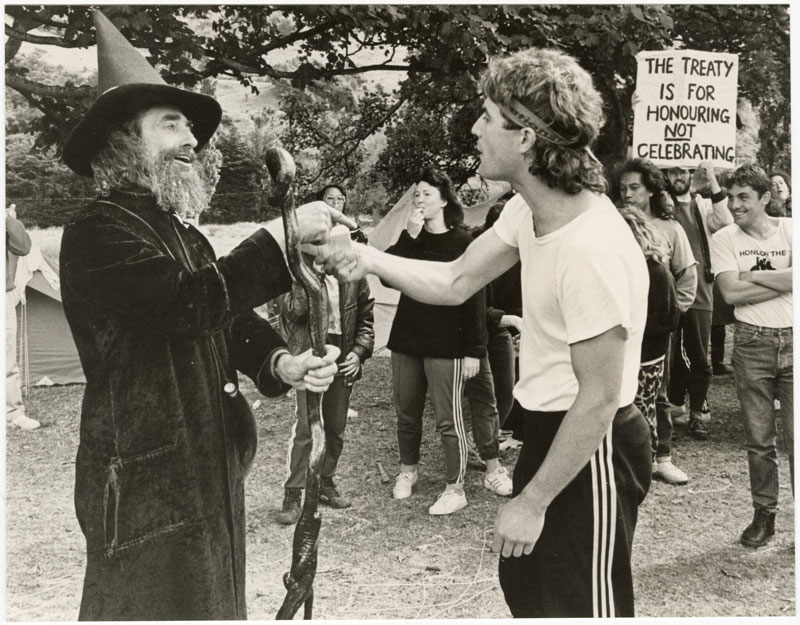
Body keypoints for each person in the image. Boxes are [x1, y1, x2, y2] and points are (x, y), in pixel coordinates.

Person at [324, 47, 651, 617]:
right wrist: (364, 257)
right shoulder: (530, 210)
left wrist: (534, 501)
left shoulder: (591, 247)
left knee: (581, 607)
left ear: (525, 137)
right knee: (528, 591)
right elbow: (454, 280)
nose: (475, 128)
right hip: (552, 434)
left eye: (487, 117)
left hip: (591, 448)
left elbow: (599, 398)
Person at [58, 11, 345, 620]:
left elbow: (224, 316)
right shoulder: (97, 230)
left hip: (204, 469)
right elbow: (184, 304)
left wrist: (279, 361)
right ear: (122, 140)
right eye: (171, 124)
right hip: (143, 486)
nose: (192, 140)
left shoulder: (181, 232)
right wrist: (278, 237)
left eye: (191, 127)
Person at [381, 166, 489, 515]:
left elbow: (475, 299)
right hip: (408, 339)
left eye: (427, 193)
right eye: (416, 194)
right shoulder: (412, 239)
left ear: (444, 200)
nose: (419, 200)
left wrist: (474, 350)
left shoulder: (463, 241)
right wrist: (409, 236)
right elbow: (388, 278)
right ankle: (407, 472)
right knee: (406, 414)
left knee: (449, 419)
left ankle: (455, 488)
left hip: (449, 343)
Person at [275, 184, 375, 525]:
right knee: (306, 427)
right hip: (309, 353)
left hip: (341, 352)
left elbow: (366, 318)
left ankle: (327, 480)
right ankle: (294, 490)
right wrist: (309, 283)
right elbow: (290, 313)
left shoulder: (351, 271)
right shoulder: (295, 269)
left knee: (335, 426)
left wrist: (359, 354)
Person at [712, 163, 793, 549]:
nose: (735, 204)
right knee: (759, 439)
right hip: (751, 343)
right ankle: (765, 516)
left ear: (765, 198)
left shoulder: (792, 229)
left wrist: (752, 275)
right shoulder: (724, 237)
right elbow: (730, 294)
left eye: (744, 197)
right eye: (731, 197)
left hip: (794, 339)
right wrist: (785, 280)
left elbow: (743, 284)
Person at [618, 158, 697, 484]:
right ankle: (629, 457)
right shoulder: (615, 222)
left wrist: (670, 315)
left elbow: (687, 276)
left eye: (634, 187)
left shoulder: (670, 228)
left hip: (657, 332)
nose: (627, 194)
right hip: (621, 329)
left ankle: (662, 456)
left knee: (658, 394)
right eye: (622, 188)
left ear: (651, 189)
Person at [663, 163, 733, 439]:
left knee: (700, 353)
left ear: (691, 174)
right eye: (672, 171)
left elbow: (725, 222)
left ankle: (699, 409)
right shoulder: (661, 205)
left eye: (682, 171)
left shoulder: (701, 205)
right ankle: (676, 404)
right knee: (672, 352)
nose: (677, 176)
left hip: (701, 286)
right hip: (668, 286)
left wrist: (713, 180)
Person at [617, 207, 681, 484]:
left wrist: (630, 326)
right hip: (628, 352)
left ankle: (652, 460)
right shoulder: (622, 268)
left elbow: (669, 319)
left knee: (646, 409)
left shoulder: (655, 270)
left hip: (648, 357)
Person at [6, 204, 40, 430]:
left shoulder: (6, 220)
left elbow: (24, 247)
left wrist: (8, 220)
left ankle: (12, 414)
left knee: (7, 359)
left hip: (3, 294)